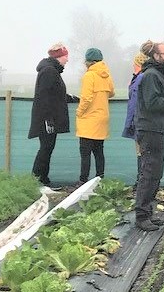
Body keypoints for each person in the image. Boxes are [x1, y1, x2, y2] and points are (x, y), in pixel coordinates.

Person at [133, 41, 164, 231]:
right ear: (156, 56)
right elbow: (152, 103)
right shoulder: (151, 76)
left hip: (156, 129)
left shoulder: (158, 75)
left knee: (155, 173)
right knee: (149, 172)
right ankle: (141, 215)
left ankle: (147, 212)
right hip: (150, 130)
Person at [29, 43, 77, 188]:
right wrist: (48, 119)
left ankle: (42, 179)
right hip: (47, 119)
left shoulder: (51, 70)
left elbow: (56, 94)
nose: (67, 60)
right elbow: (44, 97)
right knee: (45, 148)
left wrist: (73, 99)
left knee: (47, 147)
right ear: (59, 57)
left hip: (47, 118)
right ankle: (37, 180)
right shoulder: (49, 71)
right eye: (65, 56)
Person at [74, 48, 114, 184]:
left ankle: (83, 181)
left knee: (85, 154)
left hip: (88, 120)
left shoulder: (89, 76)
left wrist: (79, 112)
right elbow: (112, 92)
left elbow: (86, 98)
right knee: (99, 152)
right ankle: (99, 180)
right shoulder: (107, 75)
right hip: (103, 117)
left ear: (88, 62)